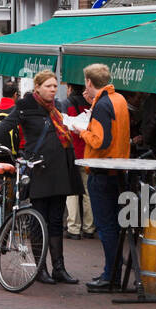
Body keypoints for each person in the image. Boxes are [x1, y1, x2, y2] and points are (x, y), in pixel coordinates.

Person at [0, 71, 83, 284]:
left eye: (55, 86)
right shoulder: (26, 105)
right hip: (38, 168)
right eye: (48, 86)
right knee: (39, 220)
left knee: (56, 219)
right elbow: (6, 125)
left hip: (60, 169)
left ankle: (59, 268)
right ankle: (40, 269)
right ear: (37, 87)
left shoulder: (58, 107)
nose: (53, 89)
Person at [78, 63, 132, 292]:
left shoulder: (102, 104)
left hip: (102, 171)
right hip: (119, 170)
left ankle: (111, 276)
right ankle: (113, 274)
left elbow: (100, 141)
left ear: (89, 82)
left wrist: (81, 130)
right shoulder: (118, 99)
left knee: (106, 227)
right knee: (115, 227)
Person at [64, 84, 96, 240]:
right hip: (89, 152)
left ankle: (74, 228)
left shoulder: (66, 103)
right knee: (88, 191)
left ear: (69, 88)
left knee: (72, 192)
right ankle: (89, 227)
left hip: (72, 152)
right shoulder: (92, 103)